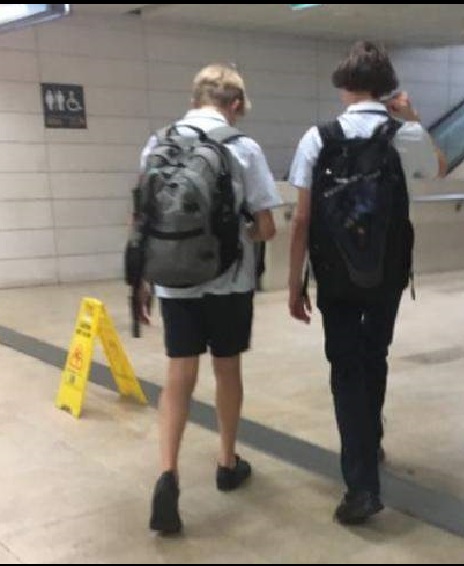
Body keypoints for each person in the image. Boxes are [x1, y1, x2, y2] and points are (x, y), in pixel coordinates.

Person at [286, 40, 446, 525]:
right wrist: (414, 117)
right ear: (386, 88)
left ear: (345, 87)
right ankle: (369, 442)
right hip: (387, 273)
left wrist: (294, 283)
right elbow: (439, 167)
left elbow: (302, 220)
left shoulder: (318, 138)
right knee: (373, 356)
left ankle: (361, 486)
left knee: (345, 369)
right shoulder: (405, 133)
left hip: (334, 276)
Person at [138, 63, 282, 535]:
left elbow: (140, 220)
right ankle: (226, 462)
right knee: (226, 369)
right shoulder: (242, 148)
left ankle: (167, 473)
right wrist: (232, 230)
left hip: (170, 281)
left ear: (195, 96)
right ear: (235, 104)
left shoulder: (157, 142)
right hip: (228, 282)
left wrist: (140, 280)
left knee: (179, 374)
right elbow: (265, 228)